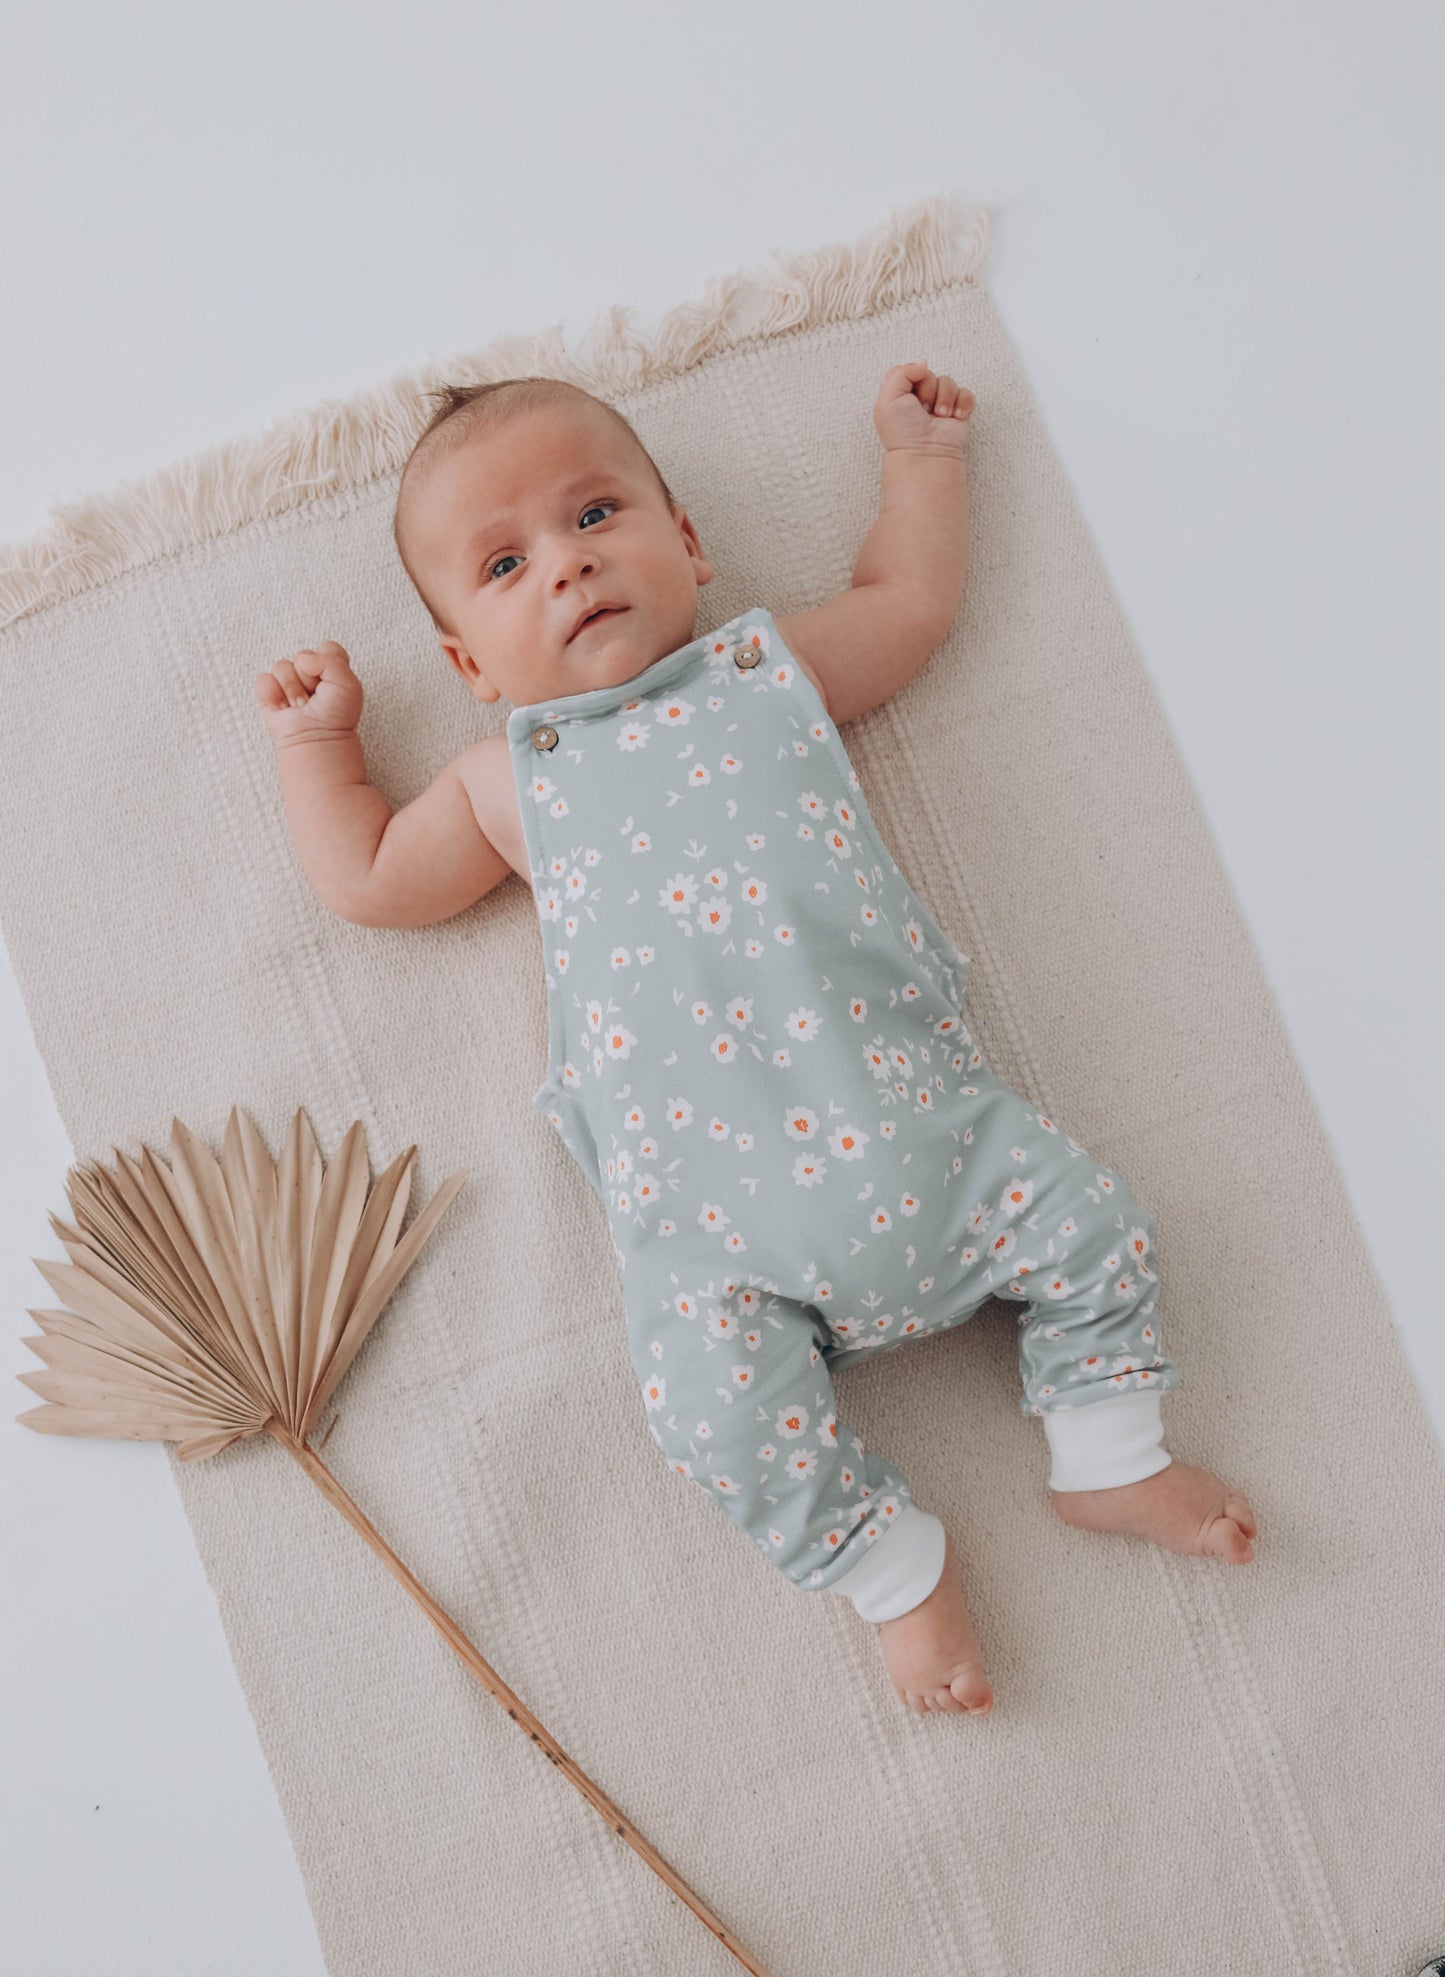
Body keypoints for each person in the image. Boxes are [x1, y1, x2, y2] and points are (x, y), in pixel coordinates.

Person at [254, 367, 1258, 1717]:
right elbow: (374, 878)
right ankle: (894, 1571)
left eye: (597, 512)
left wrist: (919, 459)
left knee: (1098, 1229)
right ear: (469, 666)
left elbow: (907, 603)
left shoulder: (765, 671)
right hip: (720, 1243)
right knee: (710, 1415)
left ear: (688, 542)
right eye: (505, 563)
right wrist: (322, 746)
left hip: (936, 1138)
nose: (570, 564)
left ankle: (1107, 1446)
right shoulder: (508, 784)